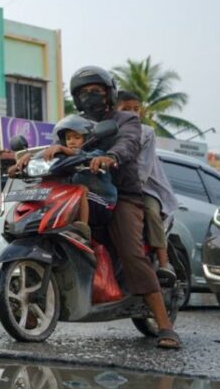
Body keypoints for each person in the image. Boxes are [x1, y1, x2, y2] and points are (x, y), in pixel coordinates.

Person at [64, 65, 181, 349]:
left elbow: (128, 144)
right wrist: (48, 151)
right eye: (84, 93)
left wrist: (110, 157)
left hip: (122, 195)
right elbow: (64, 142)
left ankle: (165, 326)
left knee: (131, 252)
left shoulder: (126, 119)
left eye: (96, 91)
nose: (90, 97)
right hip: (83, 190)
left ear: (109, 93)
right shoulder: (76, 123)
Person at [116, 90, 179, 283]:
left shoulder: (146, 132)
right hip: (117, 187)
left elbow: (143, 168)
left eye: (136, 109)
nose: (133, 113)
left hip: (146, 188)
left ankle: (163, 262)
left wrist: (129, 189)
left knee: (151, 212)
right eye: (126, 109)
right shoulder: (109, 131)